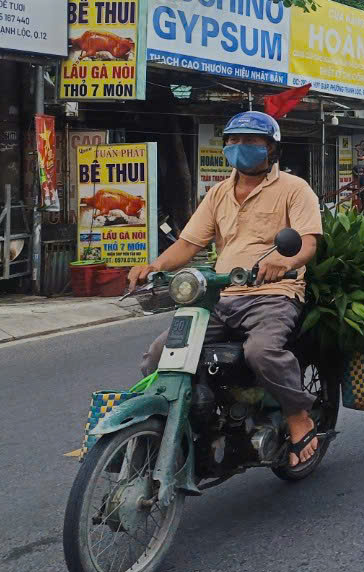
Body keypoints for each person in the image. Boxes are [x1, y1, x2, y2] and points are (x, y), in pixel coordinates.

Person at [130, 111, 323, 469]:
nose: (238, 146)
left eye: (249, 141)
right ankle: (185, 419)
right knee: (160, 353)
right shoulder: (218, 193)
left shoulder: (295, 189)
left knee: (261, 352)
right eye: (233, 140)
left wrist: (282, 261)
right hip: (222, 297)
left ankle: (298, 415)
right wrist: (154, 267)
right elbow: (188, 244)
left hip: (273, 295)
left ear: (270, 147)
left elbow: (308, 242)